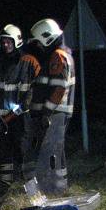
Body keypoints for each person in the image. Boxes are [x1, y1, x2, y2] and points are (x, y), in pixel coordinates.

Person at [0, 24, 38, 191]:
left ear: (16, 42)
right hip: (0, 118)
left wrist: (20, 110)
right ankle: (4, 185)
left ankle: (30, 184)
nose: (6, 45)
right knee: (3, 152)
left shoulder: (26, 62)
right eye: (3, 42)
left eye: (9, 42)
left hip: (20, 117)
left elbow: (30, 91)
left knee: (23, 149)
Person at [24, 18, 75, 195]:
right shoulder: (61, 55)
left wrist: (46, 112)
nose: (38, 46)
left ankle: (55, 188)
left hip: (55, 114)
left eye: (38, 42)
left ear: (47, 38)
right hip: (57, 113)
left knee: (52, 150)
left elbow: (59, 88)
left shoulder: (57, 57)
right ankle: (57, 186)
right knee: (55, 150)